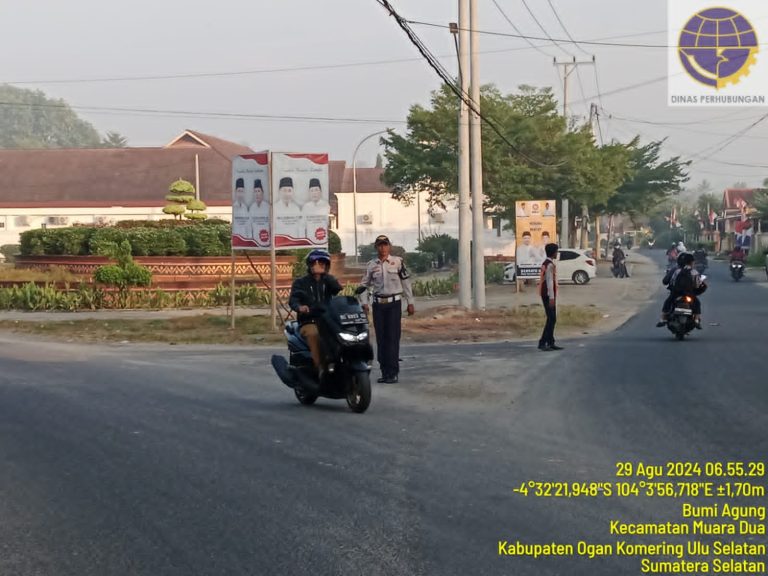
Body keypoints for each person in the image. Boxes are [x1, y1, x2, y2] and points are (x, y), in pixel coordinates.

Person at [360, 235, 415, 383]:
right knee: (381, 339)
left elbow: (406, 282)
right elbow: (364, 285)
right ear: (376, 247)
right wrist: (364, 303)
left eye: (385, 245)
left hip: (393, 305)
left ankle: (393, 372)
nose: (382, 248)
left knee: (392, 338)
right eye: (380, 245)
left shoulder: (397, 262)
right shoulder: (371, 265)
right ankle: (385, 372)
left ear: (389, 246)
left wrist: (410, 302)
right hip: (378, 305)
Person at [288, 249, 342, 381]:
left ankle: (343, 364)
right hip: (309, 321)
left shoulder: (328, 281)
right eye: (314, 263)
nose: (317, 265)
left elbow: (337, 289)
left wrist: (325, 275)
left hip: (328, 320)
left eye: (321, 263)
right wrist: (300, 307)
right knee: (314, 334)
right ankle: (321, 368)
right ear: (309, 265)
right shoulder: (300, 282)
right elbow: (293, 300)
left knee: (343, 334)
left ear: (326, 265)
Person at [656, 252, 706, 329]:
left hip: (676, 293)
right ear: (691, 262)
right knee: (697, 303)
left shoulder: (677, 271)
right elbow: (697, 285)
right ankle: (696, 320)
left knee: (668, 302)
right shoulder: (694, 272)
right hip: (689, 294)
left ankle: (663, 319)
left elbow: (672, 282)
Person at [538, 243, 562, 351]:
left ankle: (550, 342)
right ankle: (543, 342)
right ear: (553, 253)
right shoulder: (550, 265)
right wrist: (552, 297)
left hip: (545, 293)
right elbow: (549, 282)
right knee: (552, 318)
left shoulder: (546, 263)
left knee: (551, 318)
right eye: (556, 251)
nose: (557, 253)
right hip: (548, 294)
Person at [302, 177, 330, 243]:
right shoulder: (306, 207)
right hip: (309, 240)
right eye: (312, 190)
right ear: (309, 193)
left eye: (316, 190)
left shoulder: (325, 205)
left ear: (320, 192)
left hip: (323, 239)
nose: (314, 193)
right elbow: (303, 225)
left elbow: (328, 223)